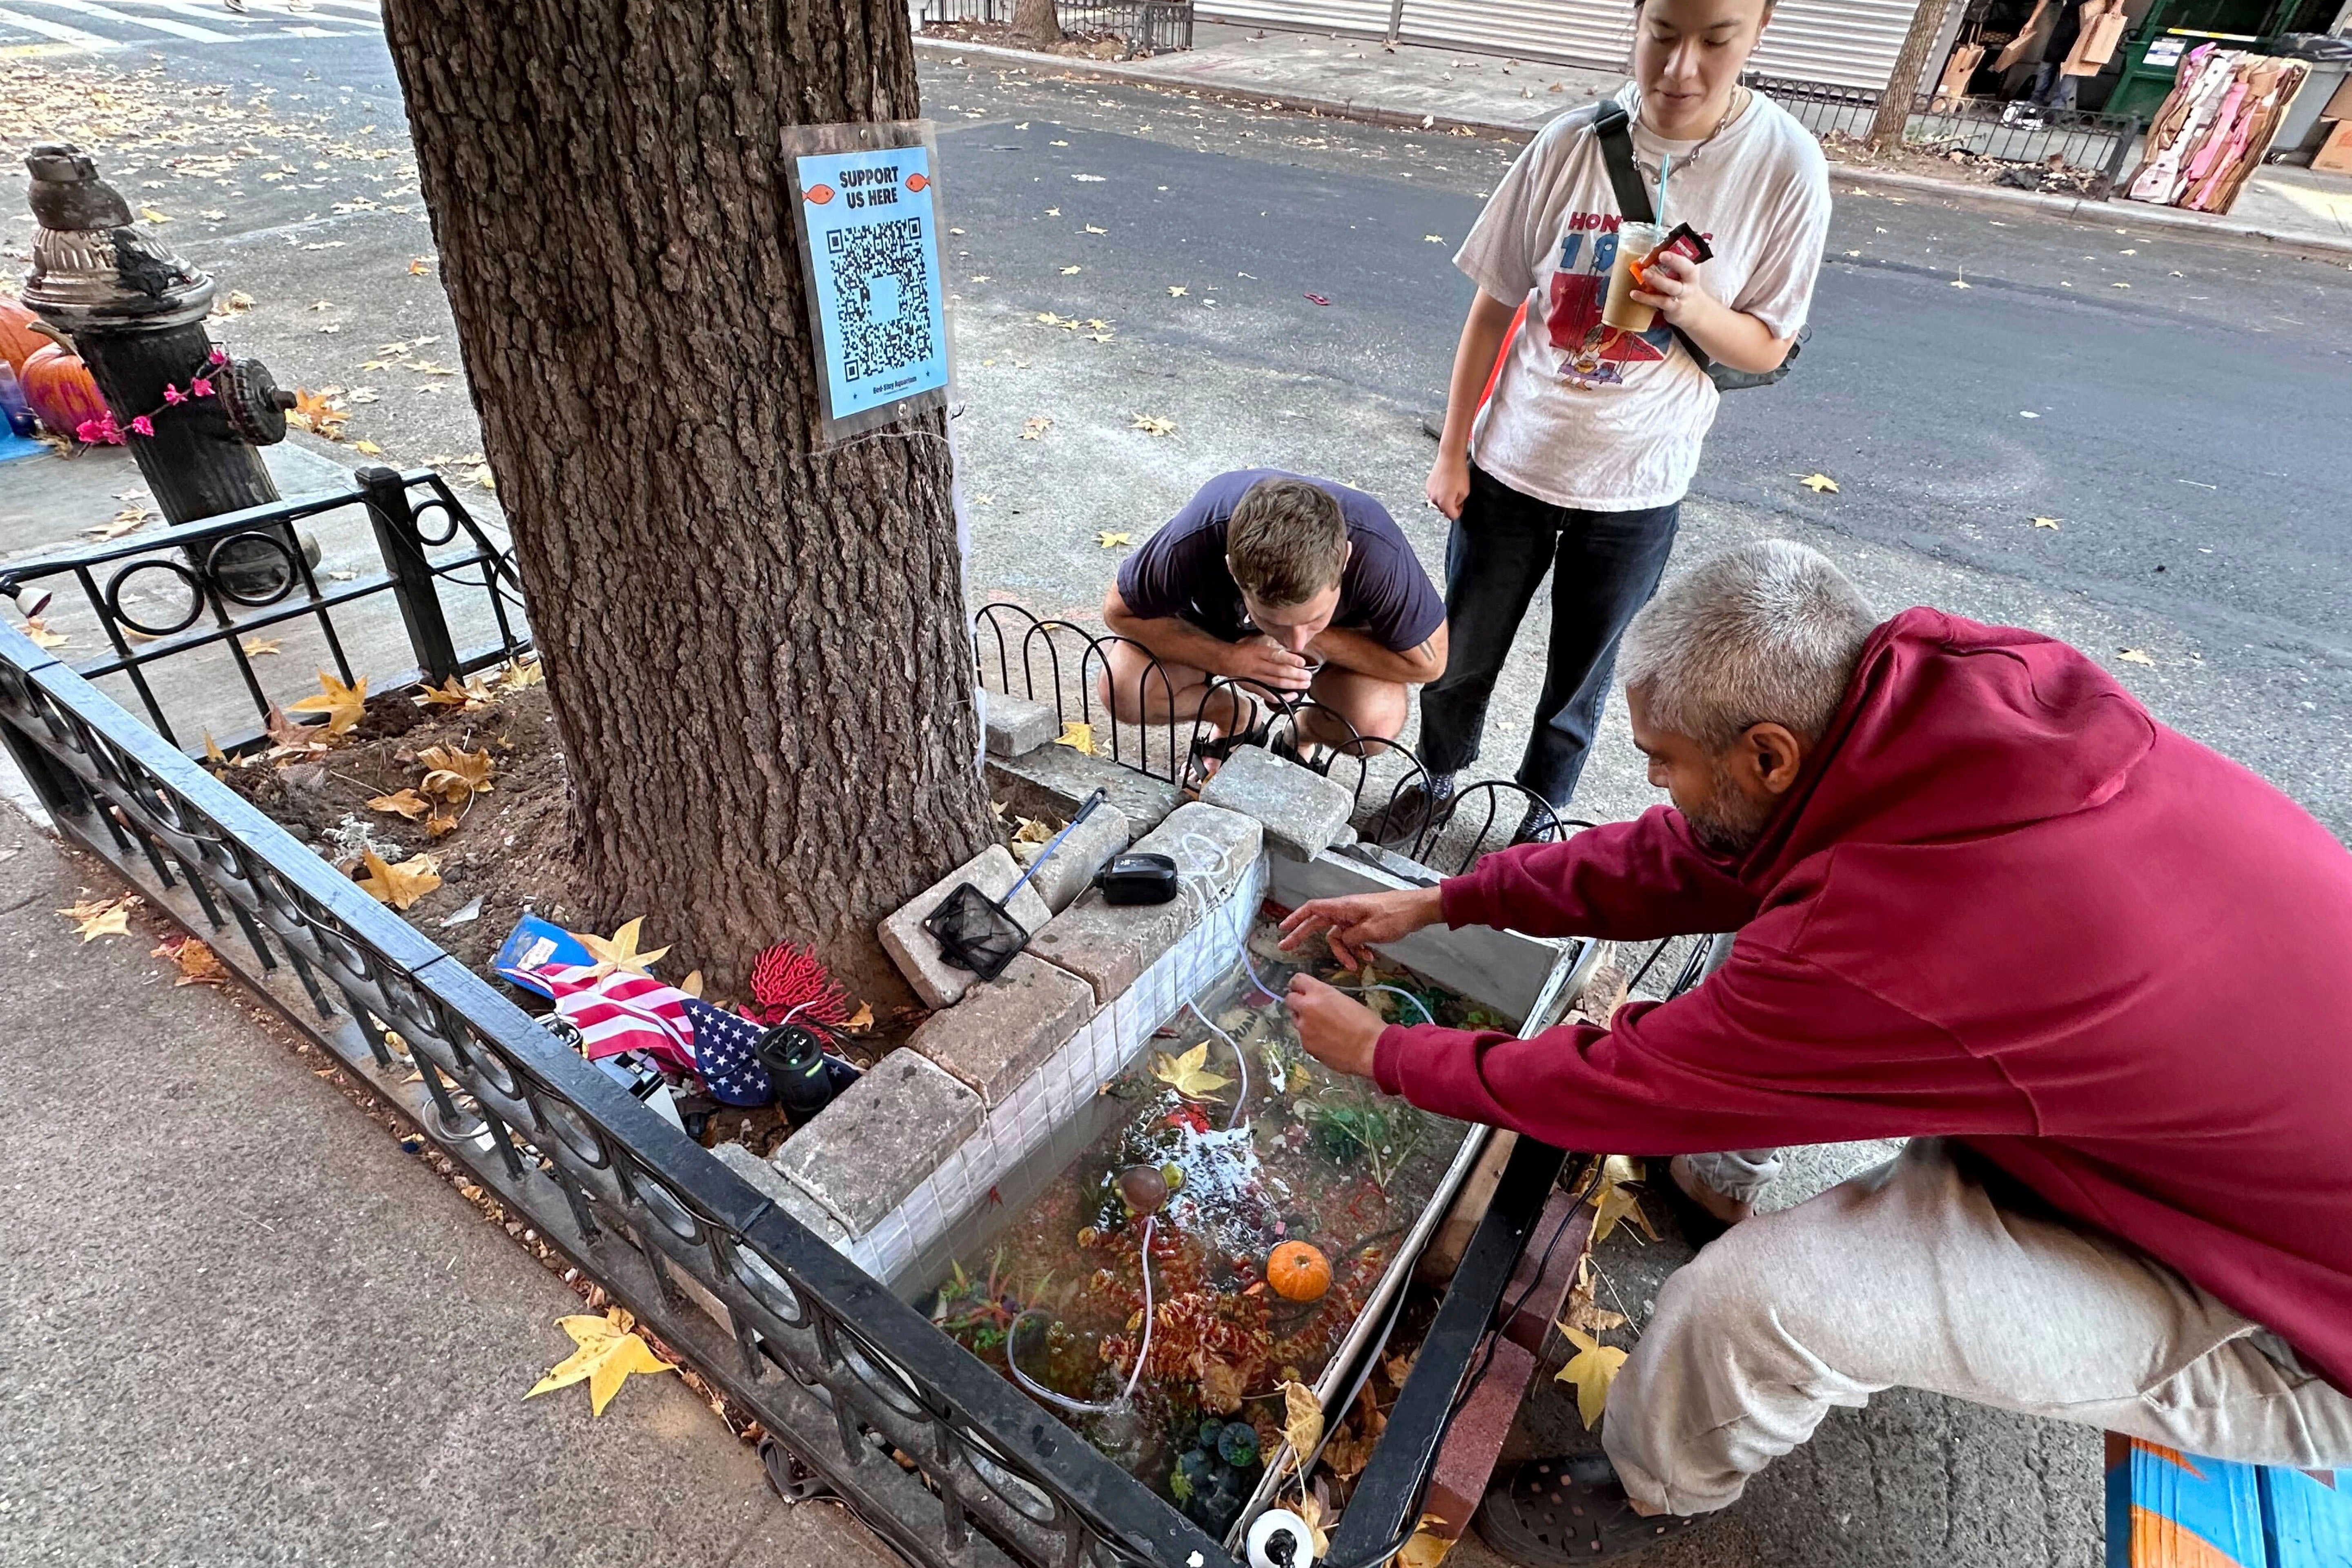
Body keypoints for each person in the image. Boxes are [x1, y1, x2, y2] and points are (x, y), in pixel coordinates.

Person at [1279, 540, 2352, 1562]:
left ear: (1767, 753)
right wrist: (1449, 900)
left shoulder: (1892, 938)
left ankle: (1662, 1484)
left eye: (1663, 762)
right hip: (2189, 1135)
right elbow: (1690, 857)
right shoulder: (1932, 700)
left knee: (1745, 1306)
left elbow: (1628, 1086)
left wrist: (1386, 1055)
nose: (1655, 788)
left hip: (2295, 1313)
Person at [1396, 0, 1831, 847]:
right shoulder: (1570, 143)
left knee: (1584, 681)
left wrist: (1696, 309)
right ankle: (1436, 778)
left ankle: (1539, 817)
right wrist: (1454, 452)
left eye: (1715, 42)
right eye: (1662, 36)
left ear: (1761, 29)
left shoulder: (1786, 166)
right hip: (1512, 464)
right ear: (1636, 19)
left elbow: (1770, 345)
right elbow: (1492, 307)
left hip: (1639, 485)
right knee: (1463, 657)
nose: (1679, 70)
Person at [1098, 470, 1446, 767]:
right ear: (1232, 569)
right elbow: (1118, 612)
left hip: (1339, 646)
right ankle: (1233, 718)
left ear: (1345, 560)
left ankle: (1301, 733)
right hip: (1216, 628)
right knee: (1125, 688)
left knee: (1373, 724)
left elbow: (1429, 665)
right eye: (1275, 622)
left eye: (1315, 617)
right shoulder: (1198, 534)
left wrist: (1320, 642)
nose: (1295, 642)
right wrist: (1228, 659)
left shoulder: (1378, 551)